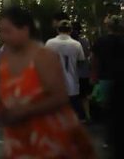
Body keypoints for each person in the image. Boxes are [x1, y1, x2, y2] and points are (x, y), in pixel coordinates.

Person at [0, 7, 96, 158]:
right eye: (1, 32)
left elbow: (60, 97)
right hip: (18, 135)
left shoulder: (42, 56)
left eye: (8, 31)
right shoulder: (5, 58)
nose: (4, 36)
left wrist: (25, 110)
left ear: (25, 29)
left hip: (47, 134)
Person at [92, 14, 124, 158]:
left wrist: (94, 76)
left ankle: (109, 139)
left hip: (105, 78)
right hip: (121, 78)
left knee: (108, 111)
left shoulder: (101, 41)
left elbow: (94, 60)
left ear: (108, 26)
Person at [45, 19, 85, 116]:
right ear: (70, 30)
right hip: (72, 86)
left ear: (57, 30)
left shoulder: (49, 43)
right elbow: (81, 63)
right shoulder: (77, 44)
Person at [71, 21, 92, 122]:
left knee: (75, 96)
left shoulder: (71, 43)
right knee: (84, 96)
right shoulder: (84, 41)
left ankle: (78, 117)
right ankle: (87, 115)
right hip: (84, 72)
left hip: (74, 74)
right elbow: (88, 54)